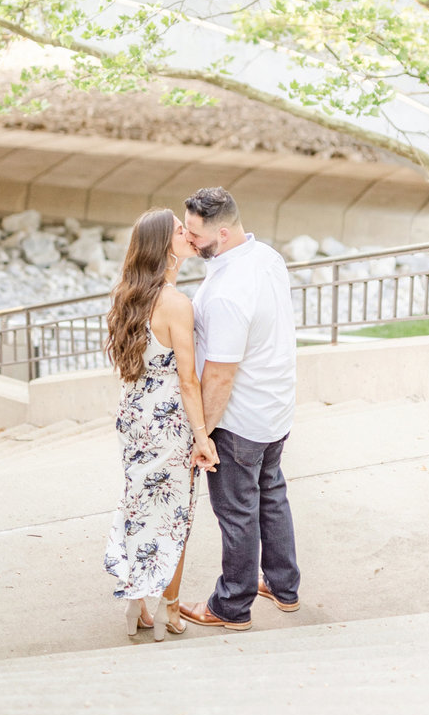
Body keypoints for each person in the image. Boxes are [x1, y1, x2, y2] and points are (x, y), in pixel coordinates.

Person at [179, 187, 300, 631]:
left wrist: (202, 435)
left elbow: (219, 376)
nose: (188, 239)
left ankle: (232, 606)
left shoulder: (226, 293)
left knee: (237, 513)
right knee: (271, 494)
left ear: (223, 232)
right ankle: (284, 588)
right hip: (276, 408)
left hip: (240, 420)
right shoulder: (266, 256)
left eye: (194, 233)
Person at [103, 207, 219, 642]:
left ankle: (137, 604)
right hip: (168, 419)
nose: (188, 234)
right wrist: (203, 437)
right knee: (174, 517)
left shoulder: (126, 295)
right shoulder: (177, 304)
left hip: (133, 414)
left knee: (138, 504)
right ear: (162, 247)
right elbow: (188, 381)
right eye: (178, 232)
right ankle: (169, 608)